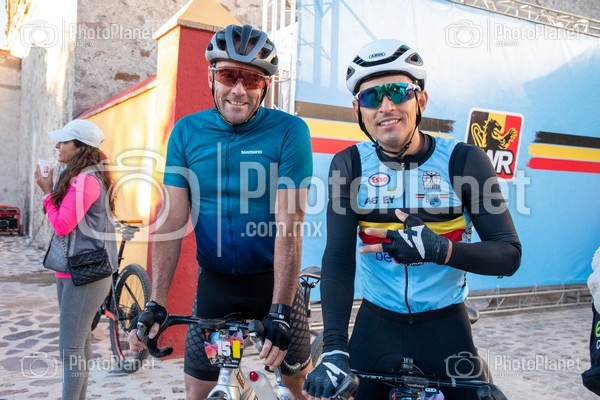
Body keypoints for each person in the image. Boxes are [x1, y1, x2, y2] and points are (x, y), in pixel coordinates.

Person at [302, 39, 522, 400]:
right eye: (372, 97)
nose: (386, 106)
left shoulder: (463, 161)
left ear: (420, 100)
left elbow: (509, 254)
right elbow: (339, 258)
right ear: (358, 110)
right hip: (377, 324)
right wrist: (334, 349)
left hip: (446, 325)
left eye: (397, 92)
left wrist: (441, 250)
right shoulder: (349, 164)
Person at [129, 24, 313, 399]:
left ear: (265, 86)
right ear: (212, 76)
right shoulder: (187, 132)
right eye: (229, 75)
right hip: (216, 285)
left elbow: (289, 226)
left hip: (273, 283)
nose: (239, 90)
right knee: (198, 390)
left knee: (295, 387)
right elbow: (172, 220)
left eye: (252, 79)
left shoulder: (289, 132)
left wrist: (280, 310)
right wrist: (157, 302)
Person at [36, 119, 118, 400]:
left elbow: (62, 225)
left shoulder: (85, 180)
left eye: (64, 142)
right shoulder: (78, 177)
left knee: (69, 348)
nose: (58, 146)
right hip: (71, 271)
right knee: (79, 344)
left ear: (80, 147)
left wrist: (47, 193)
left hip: (87, 274)